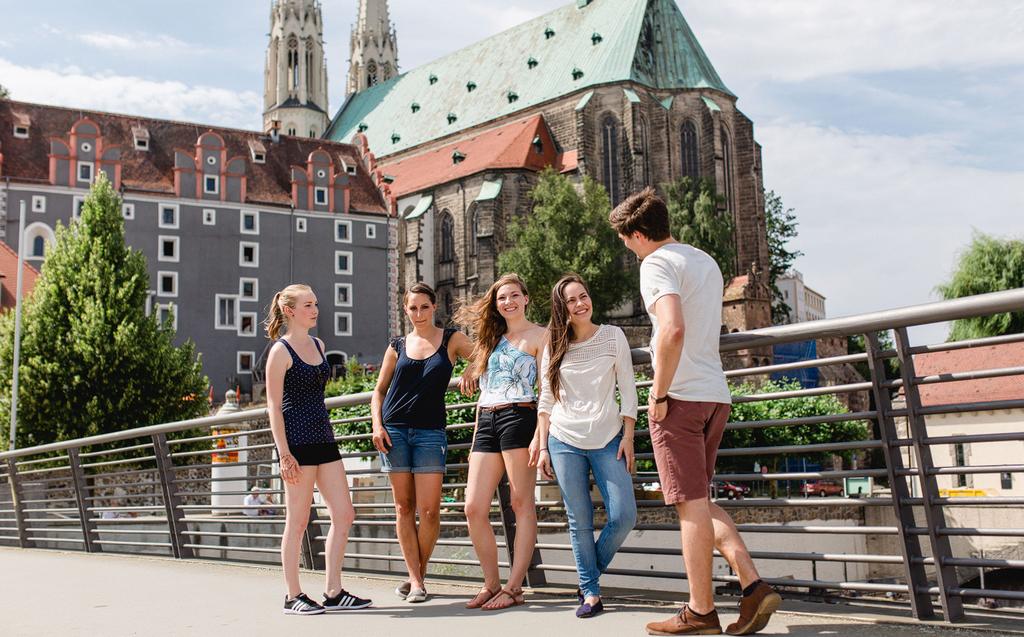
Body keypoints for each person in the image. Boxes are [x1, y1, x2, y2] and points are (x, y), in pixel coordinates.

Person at [609, 188, 781, 636]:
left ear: (639, 234)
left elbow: (672, 329)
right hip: (714, 394)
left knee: (688, 507)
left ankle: (701, 612)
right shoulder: (704, 260)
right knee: (698, 501)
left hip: (680, 398)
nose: (627, 249)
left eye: (626, 239)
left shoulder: (656, 264)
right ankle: (752, 585)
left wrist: (659, 393)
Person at [531, 274, 638, 619]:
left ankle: (587, 574)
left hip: (608, 438)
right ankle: (591, 592)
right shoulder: (554, 345)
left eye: (583, 296)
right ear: (562, 309)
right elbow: (546, 399)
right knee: (579, 520)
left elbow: (629, 389)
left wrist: (629, 436)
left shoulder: (612, 336)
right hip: (564, 440)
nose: (580, 304)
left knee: (624, 516)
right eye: (571, 300)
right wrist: (544, 445)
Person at [265, 284, 372, 615]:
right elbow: (273, 406)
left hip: (324, 440)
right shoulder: (280, 352)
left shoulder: (319, 344)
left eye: (315, 303)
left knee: (344, 514)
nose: (315, 309)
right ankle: (292, 595)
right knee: (297, 521)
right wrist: (284, 453)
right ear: (290, 311)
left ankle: (333, 591)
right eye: (308, 305)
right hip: (296, 444)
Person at [371, 282, 474, 603]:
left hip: (431, 432)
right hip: (394, 430)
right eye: (412, 308)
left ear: (434, 307)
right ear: (406, 309)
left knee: (429, 511)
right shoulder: (397, 345)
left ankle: (418, 575)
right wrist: (377, 424)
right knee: (404, 507)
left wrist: (471, 367)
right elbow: (379, 390)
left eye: (424, 307)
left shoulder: (451, 339)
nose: (418, 313)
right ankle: (416, 580)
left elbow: (488, 355)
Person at [454, 273, 547, 611]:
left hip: (519, 417)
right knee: (473, 507)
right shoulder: (491, 339)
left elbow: (547, 391)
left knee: (521, 504)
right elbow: (484, 390)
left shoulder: (541, 335)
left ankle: (513, 586)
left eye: (513, 296)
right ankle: (491, 583)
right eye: (501, 298)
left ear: (525, 298)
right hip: (487, 421)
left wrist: (541, 433)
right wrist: (477, 433)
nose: (507, 302)